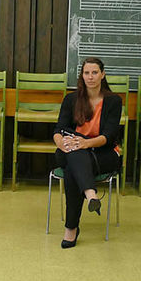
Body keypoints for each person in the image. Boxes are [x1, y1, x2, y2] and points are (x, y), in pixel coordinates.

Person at [52, 57, 122, 249]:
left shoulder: (113, 101)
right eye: (86, 73)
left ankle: (71, 230)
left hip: (103, 153)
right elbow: (59, 130)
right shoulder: (71, 99)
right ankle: (90, 194)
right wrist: (62, 145)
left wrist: (84, 143)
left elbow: (109, 136)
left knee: (72, 170)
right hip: (72, 150)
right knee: (74, 155)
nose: (90, 77)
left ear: (103, 74)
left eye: (94, 72)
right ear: (82, 76)